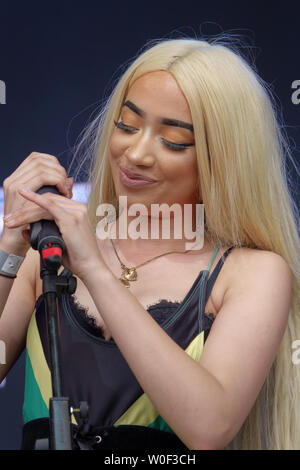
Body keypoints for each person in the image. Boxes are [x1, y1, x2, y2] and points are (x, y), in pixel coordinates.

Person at [0, 35, 299, 451]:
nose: (136, 153)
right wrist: (9, 248)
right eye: (127, 125)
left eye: (173, 141)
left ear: (222, 159)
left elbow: (208, 426)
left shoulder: (252, 273)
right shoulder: (48, 248)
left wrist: (95, 272)